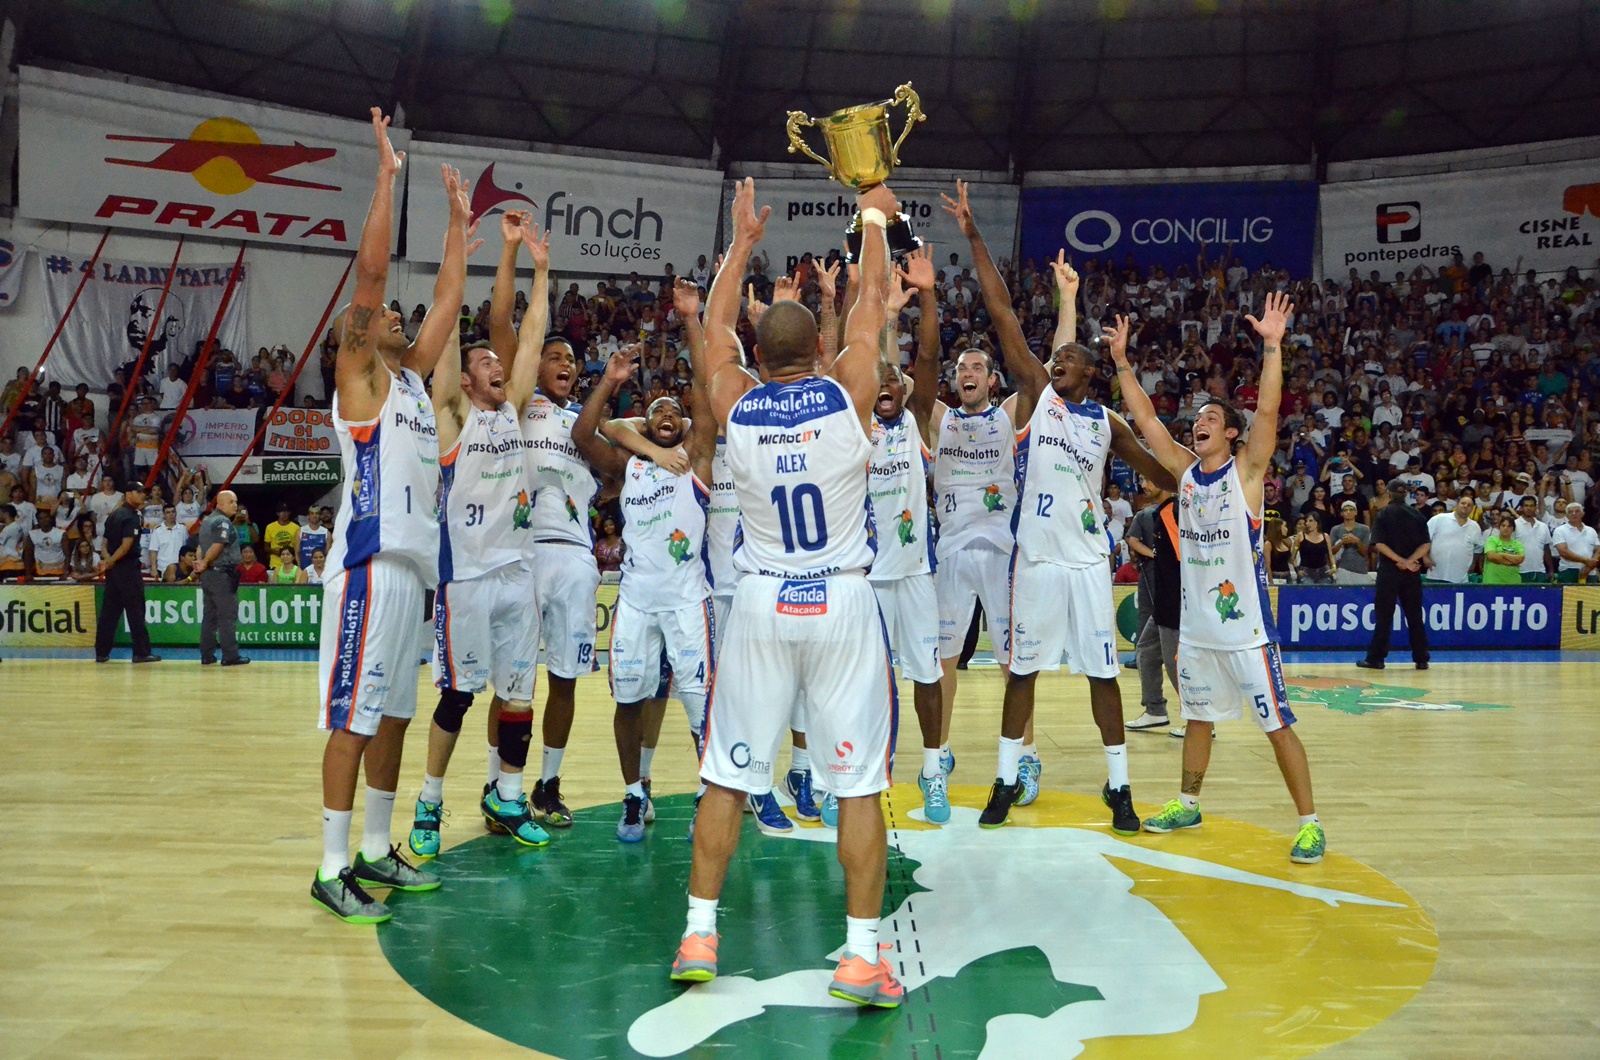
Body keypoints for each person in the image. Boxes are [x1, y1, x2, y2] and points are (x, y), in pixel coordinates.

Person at [670, 177, 904, 1008]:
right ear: (821, 350)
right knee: (857, 785)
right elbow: (872, 302)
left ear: (757, 357)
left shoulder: (735, 402)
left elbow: (712, 341)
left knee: (727, 778)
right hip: (840, 602)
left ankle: (699, 931)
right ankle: (860, 957)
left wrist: (739, 242)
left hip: (761, 602)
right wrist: (873, 217)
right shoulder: (851, 391)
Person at [309, 111, 467, 923]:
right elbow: (370, 277)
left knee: (395, 717)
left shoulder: (411, 383)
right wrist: (385, 178)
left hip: (415, 572)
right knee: (354, 718)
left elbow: (447, 297)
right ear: (364, 335)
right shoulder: (363, 380)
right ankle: (331, 863)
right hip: (368, 566)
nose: (399, 316)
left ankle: (375, 848)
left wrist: (460, 226)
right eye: (384, 317)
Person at [964, 237, 1175, 834]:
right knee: (1021, 674)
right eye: (1054, 362)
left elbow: (1159, 471)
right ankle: (1006, 777)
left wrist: (1202, 486)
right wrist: (977, 234)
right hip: (1034, 562)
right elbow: (1003, 315)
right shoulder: (1041, 402)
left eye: (1069, 362)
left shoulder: (1106, 422)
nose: (1056, 367)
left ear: (1091, 372)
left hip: (1086, 565)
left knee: (1103, 678)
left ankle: (1120, 786)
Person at [1112, 291, 1329, 865]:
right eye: (1199, 419)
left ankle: (1310, 824)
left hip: (1247, 631)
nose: (1200, 422)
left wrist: (1274, 347)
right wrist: (1122, 362)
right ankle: (1188, 801)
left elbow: (1268, 414)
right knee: (1198, 719)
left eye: (1212, 419)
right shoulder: (1185, 473)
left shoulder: (1248, 472)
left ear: (1231, 434)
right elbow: (1149, 421)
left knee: (1277, 726)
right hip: (1200, 629)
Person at [408, 212, 559, 861]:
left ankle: (506, 793)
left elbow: (530, 336)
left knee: (520, 696)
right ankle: (429, 801)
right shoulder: (451, 420)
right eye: (482, 361)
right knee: (460, 696)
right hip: (466, 578)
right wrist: (459, 255)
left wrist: (539, 268)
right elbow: (444, 341)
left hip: (517, 575)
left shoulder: (515, 411)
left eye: (497, 361)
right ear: (464, 382)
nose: (497, 363)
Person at [575, 341, 715, 844]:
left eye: (674, 411)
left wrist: (691, 325)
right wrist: (610, 383)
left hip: (686, 600)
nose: (666, 414)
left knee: (700, 704)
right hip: (634, 601)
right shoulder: (625, 465)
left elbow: (704, 399)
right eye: (655, 410)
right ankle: (635, 794)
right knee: (629, 701)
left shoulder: (697, 456)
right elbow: (585, 431)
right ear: (642, 423)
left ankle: (708, 793)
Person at [928, 184, 1030, 805]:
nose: (966, 373)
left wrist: (1065, 304)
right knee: (943, 663)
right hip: (949, 555)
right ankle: (937, 758)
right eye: (959, 368)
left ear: (990, 381)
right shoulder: (937, 420)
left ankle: (1028, 758)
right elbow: (898, 380)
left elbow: (1036, 366)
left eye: (976, 368)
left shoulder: (1010, 414)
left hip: (1002, 551)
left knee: (1017, 662)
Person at [869, 246, 948, 824]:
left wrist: (924, 298)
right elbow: (871, 366)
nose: (890, 382)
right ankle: (852, 770)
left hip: (916, 574)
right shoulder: (856, 423)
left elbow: (927, 357)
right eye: (882, 379)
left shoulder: (918, 422)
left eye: (896, 378)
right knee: (862, 682)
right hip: (866, 578)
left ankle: (932, 767)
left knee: (926, 676)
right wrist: (884, 319)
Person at [1359, 479, 1432, 671]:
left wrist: (1399, 560)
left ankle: (1376, 658)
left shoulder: (1383, 513)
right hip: (1412, 572)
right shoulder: (1417, 514)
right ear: (1406, 494)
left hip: (1390, 571)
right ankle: (1421, 658)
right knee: (1415, 616)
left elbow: (1379, 544)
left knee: (1384, 616)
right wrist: (1410, 561)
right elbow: (1426, 544)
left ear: (1389, 494)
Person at [1125, 486, 1179, 732]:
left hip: (1176, 602)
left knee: (1175, 663)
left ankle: (1201, 719)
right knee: (1145, 651)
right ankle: (1155, 710)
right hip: (1163, 600)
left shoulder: (1176, 512)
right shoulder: (1154, 514)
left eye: (1149, 479)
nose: (1143, 485)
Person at [94, 481, 159, 664]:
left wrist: (108, 561)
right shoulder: (131, 516)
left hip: (114, 570)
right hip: (127, 568)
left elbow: (104, 544)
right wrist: (112, 561)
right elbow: (126, 546)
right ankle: (141, 652)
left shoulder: (113, 515)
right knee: (136, 610)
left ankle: (101, 652)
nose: (142, 495)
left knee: (109, 611)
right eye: (138, 492)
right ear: (128, 494)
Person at [194, 489, 248, 667]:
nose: (236, 506)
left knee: (209, 616)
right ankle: (230, 655)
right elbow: (218, 544)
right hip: (221, 573)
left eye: (236, 502)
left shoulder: (207, 520)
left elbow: (202, 546)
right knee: (227, 616)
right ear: (220, 504)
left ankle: (207, 655)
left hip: (209, 575)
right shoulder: (222, 522)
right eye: (232, 502)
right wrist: (205, 561)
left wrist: (202, 562)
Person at [1426, 491, 1484, 584]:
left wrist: (1472, 565)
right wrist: (1425, 557)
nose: (1465, 506)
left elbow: (1478, 549)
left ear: (1472, 509)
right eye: (1463, 503)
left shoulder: (1475, 527)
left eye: (1469, 505)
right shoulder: (1439, 519)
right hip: (1436, 573)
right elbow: (1424, 538)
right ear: (1457, 505)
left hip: (1460, 577)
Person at [1551, 501, 1600, 583]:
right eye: (1570, 512)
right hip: (1569, 570)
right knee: (1568, 596)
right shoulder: (1560, 530)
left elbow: (1598, 550)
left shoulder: (1591, 531)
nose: (1574, 514)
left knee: (1591, 596)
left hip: (1590, 571)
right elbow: (1563, 552)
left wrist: (1589, 566)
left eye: (1577, 511)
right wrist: (1586, 561)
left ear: (1582, 514)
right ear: (1566, 515)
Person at [1511, 495, 1554, 582]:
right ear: (1521, 508)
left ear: (1536, 507)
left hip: (1540, 570)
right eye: (1526, 506)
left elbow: (1546, 550)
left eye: (1531, 506)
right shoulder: (1514, 525)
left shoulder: (1543, 526)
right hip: (1520, 571)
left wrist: (1551, 570)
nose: (1529, 508)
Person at [1330, 501, 1374, 585]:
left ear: (1356, 512)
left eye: (1351, 509)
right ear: (1342, 513)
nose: (1348, 512)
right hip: (1342, 569)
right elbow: (1330, 552)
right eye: (1345, 510)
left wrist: (1357, 542)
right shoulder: (1335, 529)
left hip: (1360, 570)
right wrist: (1342, 543)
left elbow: (1365, 552)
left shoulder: (1364, 529)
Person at [1481, 511, 1526, 585]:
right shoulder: (1491, 540)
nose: (1506, 528)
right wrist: (1512, 561)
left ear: (1513, 529)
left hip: (1513, 582)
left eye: (1509, 526)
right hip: (1492, 582)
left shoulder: (1518, 544)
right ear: (1499, 527)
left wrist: (1502, 554)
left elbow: (1520, 559)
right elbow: (1492, 556)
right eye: (1503, 525)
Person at [147, 504, 187, 581]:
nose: (171, 514)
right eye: (168, 512)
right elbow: (153, 550)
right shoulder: (158, 530)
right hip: (163, 567)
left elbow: (186, 549)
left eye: (173, 512)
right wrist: (153, 568)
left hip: (179, 568)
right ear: (164, 515)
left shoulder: (183, 529)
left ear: (176, 513)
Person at [1295, 514, 1332, 584]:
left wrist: (1333, 567)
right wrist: (1297, 570)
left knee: (1324, 593)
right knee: (1309, 592)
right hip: (1306, 572)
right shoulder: (1300, 536)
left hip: (1323, 571)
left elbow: (1330, 555)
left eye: (1310, 521)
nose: (1307, 523)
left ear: (1317, 522)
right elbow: (1293, 557)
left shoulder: (1325, 536)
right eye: (1306, 521)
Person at [262, 503, 301, 569]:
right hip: (275, 564)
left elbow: (299, 547)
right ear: (277, 513)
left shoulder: (296, 527)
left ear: (290, 513)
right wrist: (273, 551)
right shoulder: (270, 527)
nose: (284, 514)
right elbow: (265, 547)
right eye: (281, 511)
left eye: (286, 511)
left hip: (291, 564)